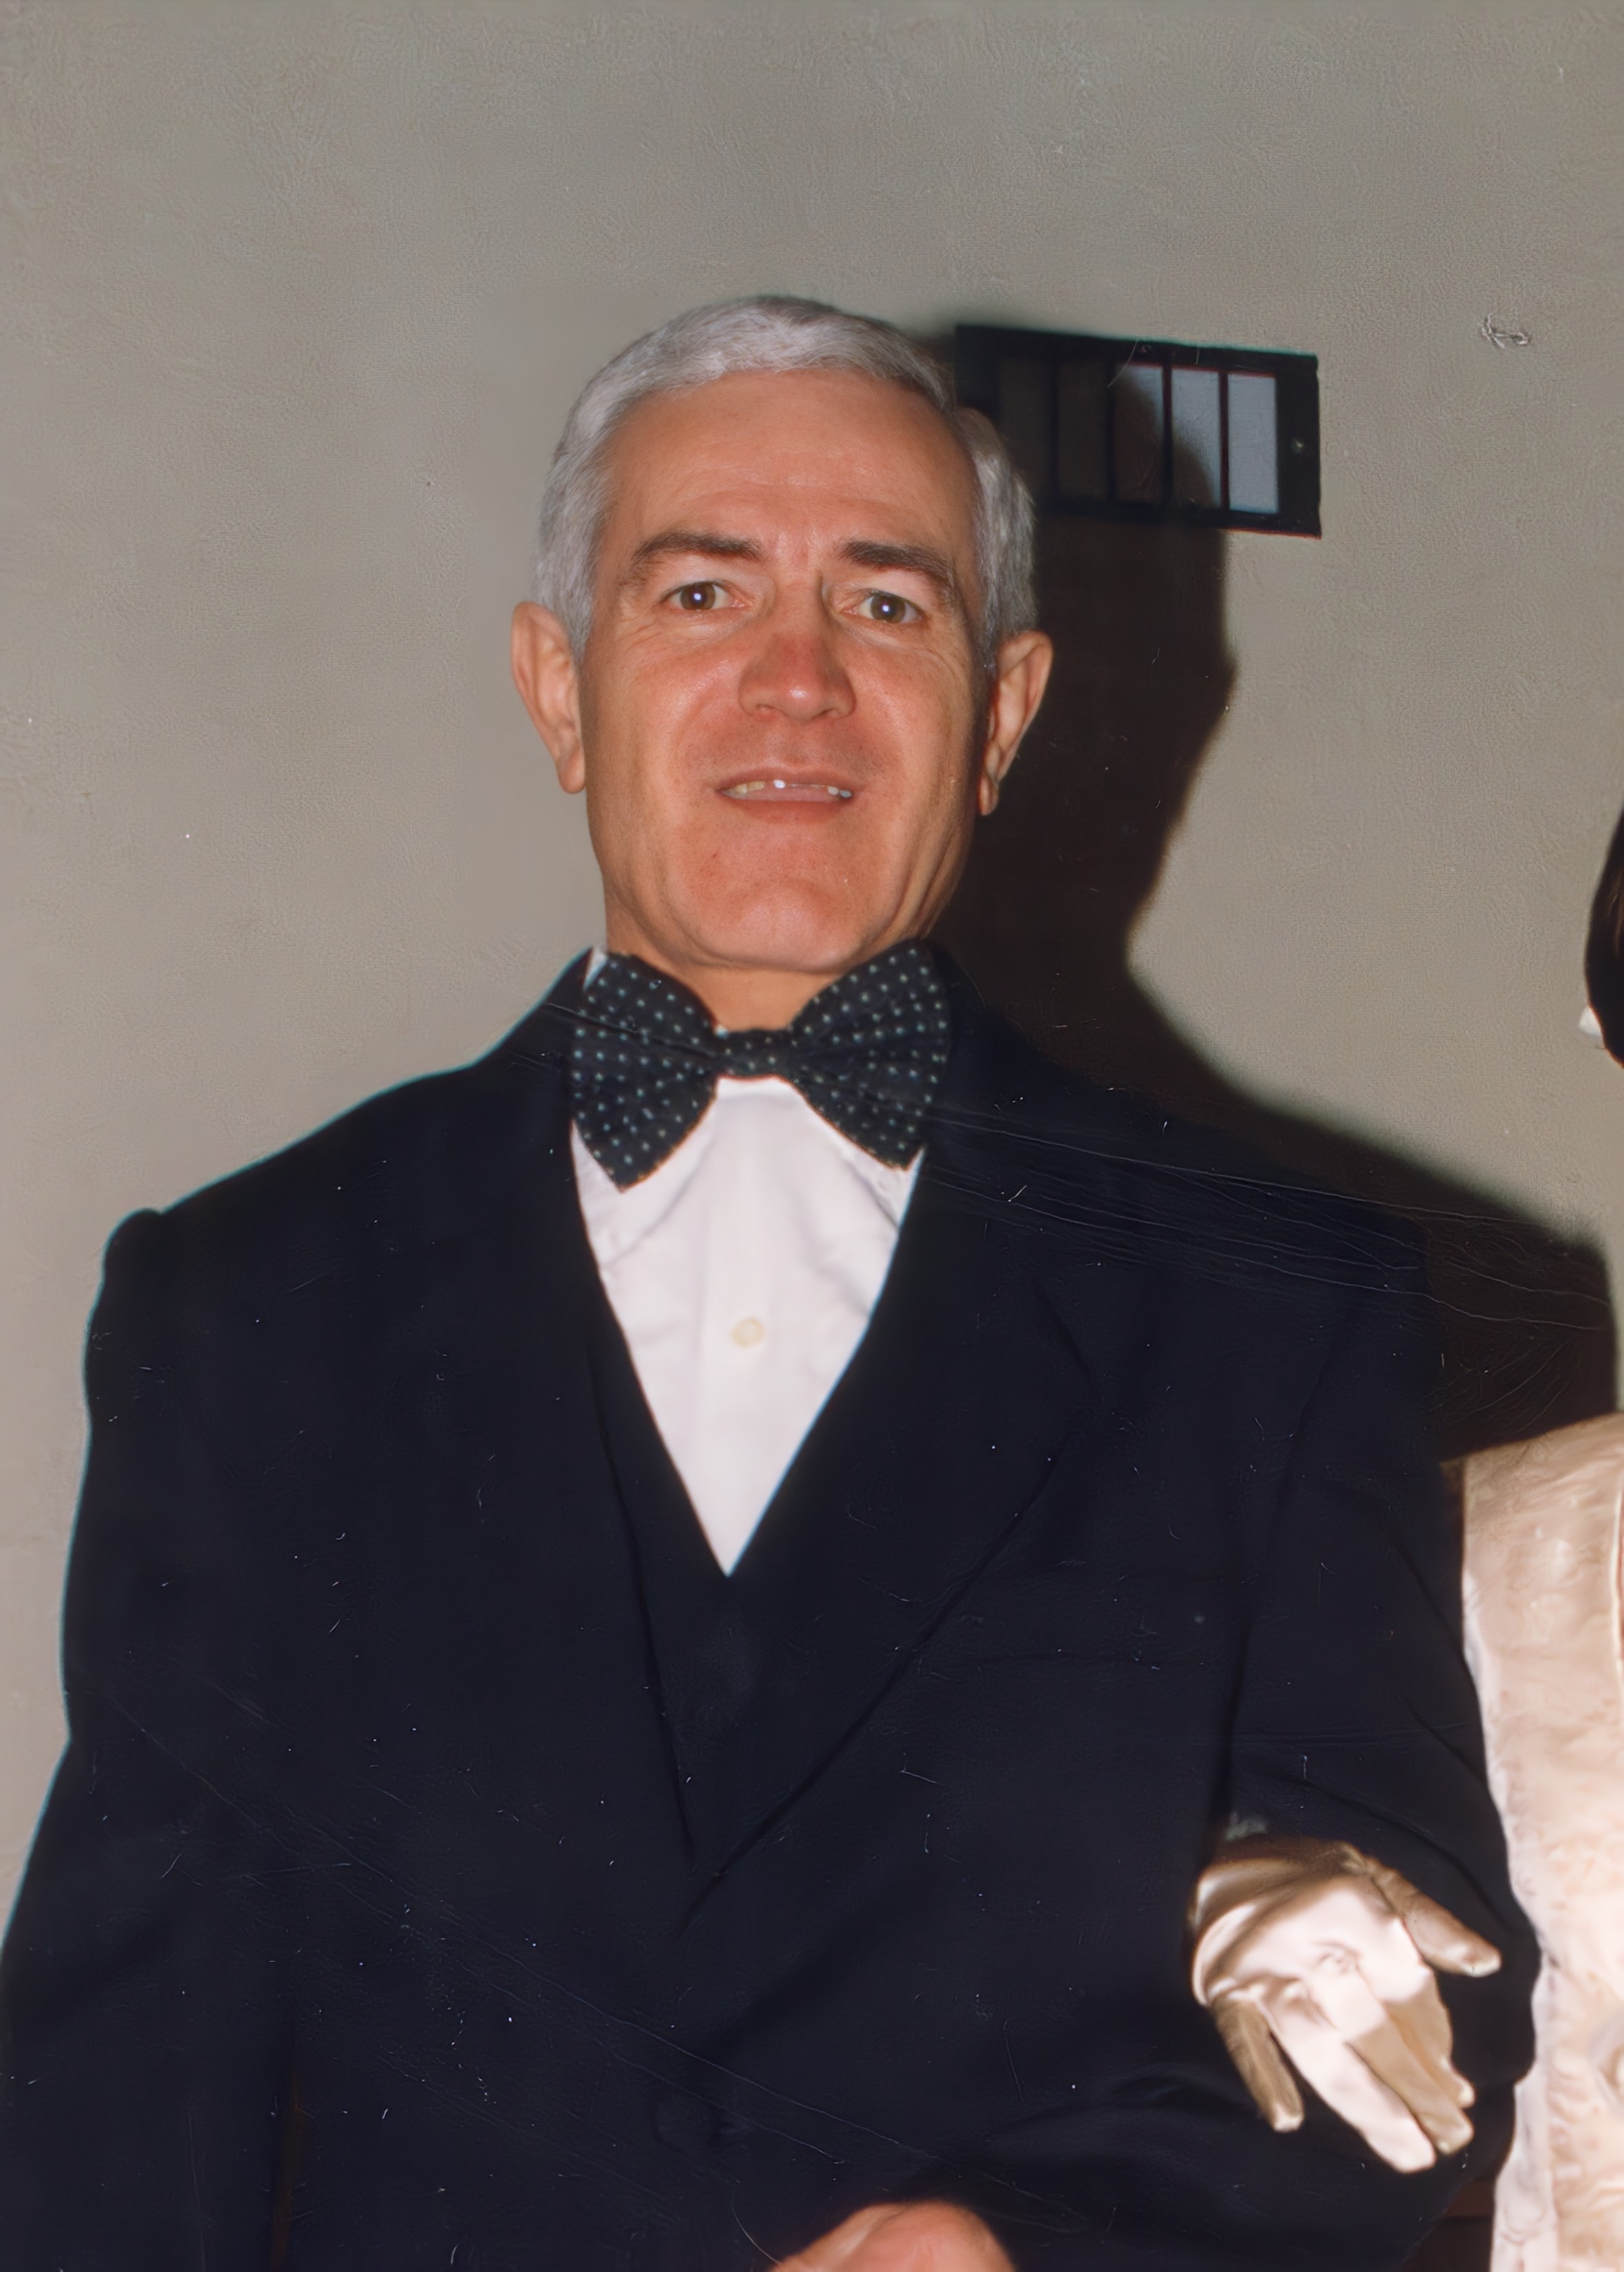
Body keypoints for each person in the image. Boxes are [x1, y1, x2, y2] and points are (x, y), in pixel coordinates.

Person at [0, 297, 1532, 2269]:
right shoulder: (243, 1305)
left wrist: (1038, 2245)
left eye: (886, 606)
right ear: (558, 687)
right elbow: (119, 2095)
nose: (797, 683)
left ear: (1004, 712)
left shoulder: (1284, 1307)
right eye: (703, 593)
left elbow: (1425, 2008)